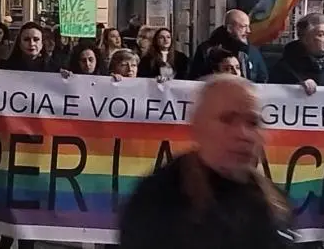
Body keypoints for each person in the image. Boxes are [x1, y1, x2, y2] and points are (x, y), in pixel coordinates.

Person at [119, 75, 294, 248]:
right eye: (227, 119)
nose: (244, 134)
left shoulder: (274, 204)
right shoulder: (157, 200)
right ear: (197, 126)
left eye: (253, 122)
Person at [0, 21, 63, 249]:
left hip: (39, 144)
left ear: (43, 43)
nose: (31, 44)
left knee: (31, 203)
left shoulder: (53, 69)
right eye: (26, 39)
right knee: (10, 199)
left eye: (36, 39)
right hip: (12, 143)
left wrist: (69, 80)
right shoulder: (6, 66)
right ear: (19, 42)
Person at [270, 13, 324, 95]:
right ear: (305, 40)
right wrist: (297, 84)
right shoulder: (287, 63)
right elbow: (273, 88)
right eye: (321, 35)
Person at [188, 9, 268, 82]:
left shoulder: (252, 52)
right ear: (229, 28)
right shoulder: (206, 51)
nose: (248, 31)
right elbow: (196, 81)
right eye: (243, 27)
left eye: (248, 26)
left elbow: (263, 80)